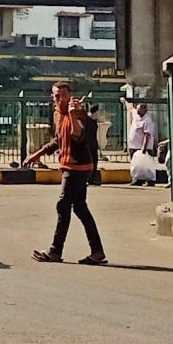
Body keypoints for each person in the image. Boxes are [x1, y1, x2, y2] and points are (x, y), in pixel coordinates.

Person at [21, 81, 108, 265]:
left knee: (63, 206)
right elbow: (58, 140)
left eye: (62, 95)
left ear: (70, 96)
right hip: (72, 166)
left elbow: (78, 135)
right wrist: (36, 155)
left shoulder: (78, 113)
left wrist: (72, 113)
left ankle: (55, 251)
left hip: (77, 167)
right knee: (80, 208)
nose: (58, 99)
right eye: (55, 95)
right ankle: (97, 252)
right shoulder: (58, 115)